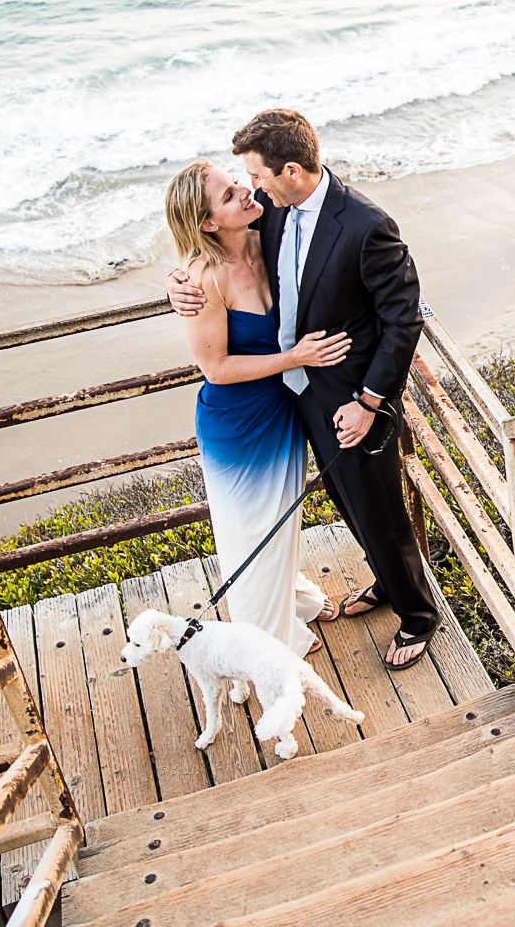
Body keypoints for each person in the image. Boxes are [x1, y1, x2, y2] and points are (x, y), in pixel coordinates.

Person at [168, 110, 441, 671]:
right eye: (242, 183)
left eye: (256, 177)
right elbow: (208, 248)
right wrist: (176, 287)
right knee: (349, 504)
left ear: (290, 170)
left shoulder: (366, 224)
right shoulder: (268, 212)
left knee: (382, 505)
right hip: (296, 399)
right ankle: (388, 583)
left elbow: (402, 318)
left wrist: (370, 402)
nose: (251, 189)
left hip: (353, 397)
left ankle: (418, 614)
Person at [163, 160, 349, 657]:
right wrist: (296, 357)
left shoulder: (263, 220)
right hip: (238, 422)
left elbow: (315, 201)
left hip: (282, 408)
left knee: (280, 520)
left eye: (237, 182)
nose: (245, 191)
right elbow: (216, 368)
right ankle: (268, 641)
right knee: (249, 533)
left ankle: (296, 596)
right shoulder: (203, 279)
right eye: (227, 196)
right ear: (206, 223)